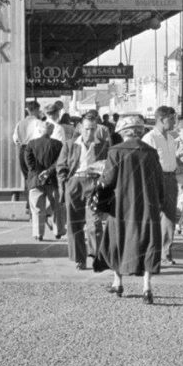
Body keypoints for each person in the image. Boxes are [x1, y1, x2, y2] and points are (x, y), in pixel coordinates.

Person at [95, 114, 164, 304]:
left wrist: (98, 183)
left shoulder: (115, 151)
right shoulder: (150, 151)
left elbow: (108, 180)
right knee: (148, 243)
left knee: (118, 241)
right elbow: (159, 181)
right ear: (140, 132)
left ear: (123, 132)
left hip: (122, 205)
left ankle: (118, 282)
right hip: (148, 205)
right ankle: (147, 287)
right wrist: (161, 202)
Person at [58, 109, 110, 270]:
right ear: (80, 127)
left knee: (94, 223)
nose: (90, 132)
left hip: (94, 184)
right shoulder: (69, 145)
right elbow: (61, 166)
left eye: (93, 128)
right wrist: (65, 186)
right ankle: (79, 258)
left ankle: (96, 255)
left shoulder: (103, 145)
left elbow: (109, 167)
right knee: (75, 224)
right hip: (74, 184)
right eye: (87, 128)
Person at [142, 105, 182, 265]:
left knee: (169, 217)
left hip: (171, 179)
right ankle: (151, 253)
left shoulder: (171, 138)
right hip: (155, 179)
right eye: (171, 119)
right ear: (160, 119)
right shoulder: (150, 138)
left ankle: (166, 253)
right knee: (152, 216)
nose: (174, 122)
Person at [23, 119, 64, 241]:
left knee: (37, 209)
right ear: (51, 131)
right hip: (53, 181)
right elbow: (59, 162)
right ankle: (58, 231)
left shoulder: (31, 144)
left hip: (35, 181)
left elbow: (28, 163)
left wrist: (38, 173)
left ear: (40, 130)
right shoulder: (58, 144)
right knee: (57, 207)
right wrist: (48, 172)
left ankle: (38, 234)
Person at [12, 99, 45, 196]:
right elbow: (42, 137)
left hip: (22, 150)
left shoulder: (20, 123)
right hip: (34, 150)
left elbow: (15, 139)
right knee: (35, 176)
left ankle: (28, 201)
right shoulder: (38, 123)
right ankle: (33, 202)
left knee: (27, 176)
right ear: (36, 110)